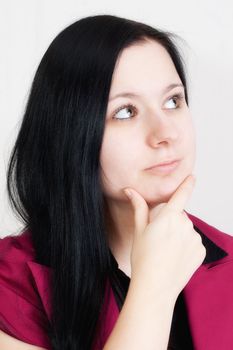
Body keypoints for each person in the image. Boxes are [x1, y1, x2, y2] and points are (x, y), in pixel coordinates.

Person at [0, 14, 232, 350]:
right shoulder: (11, 284)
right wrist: (154, 286)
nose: (165, 134)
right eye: (125, 111)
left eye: (173, 101)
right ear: (71, 133)